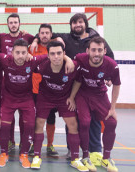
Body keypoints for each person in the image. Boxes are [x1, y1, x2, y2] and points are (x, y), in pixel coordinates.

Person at [32, 13, 115, 165]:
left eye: (80, 22)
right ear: (71, 25)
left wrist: (108, 76)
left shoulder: (95, 39)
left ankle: (95, 151)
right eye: (74, 22)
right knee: (79, 121)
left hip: (92, 88)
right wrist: (35, 39)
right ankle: (73, 150)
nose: (77, 25)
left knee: (93, 121)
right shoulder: (66, 38)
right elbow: (46, 35)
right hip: (73, 88)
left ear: (85, 24)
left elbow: (109, 57)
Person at [0, 39, 74, 168]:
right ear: (12, 52)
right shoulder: (5, 59)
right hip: (8, 99)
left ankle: (24, 154)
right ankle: (4, 153)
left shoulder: (33, 61)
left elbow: (53, 54)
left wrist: (67, 59)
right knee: (5, 126)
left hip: (26, 99)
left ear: (27, 53)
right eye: (17, 52)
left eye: (23, 52)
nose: (20, 56)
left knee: (30, 125)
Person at [30, 41, 88, 172]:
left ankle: (75, 159)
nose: (56, 56)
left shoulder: (73, 67)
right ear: (48, 55)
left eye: (59, 53)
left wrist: (72, 97)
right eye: (52, 54)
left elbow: (78, 81)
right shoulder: (41, 66)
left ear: (64, 54)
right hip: (45, 97)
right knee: (39, 123)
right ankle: (37, 156)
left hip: (64, 98)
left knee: (73, 124)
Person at [69, 37, 120, 172]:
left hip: (99, 94)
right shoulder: (80, 58)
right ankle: (85, 157)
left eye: (99, 50)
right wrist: (72, 98)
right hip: (83, 94)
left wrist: (113, 107)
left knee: (112, 122)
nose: (96, 53)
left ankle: (106, 158)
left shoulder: (112, 65)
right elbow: (77, 80)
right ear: (87, 51)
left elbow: (116, 85)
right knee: (84, 122)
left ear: (104, 51)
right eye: (93, 50)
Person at [0, 13, 37, 152]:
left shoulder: (26, 37)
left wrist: (34, 41)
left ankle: (24, 143)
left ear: (19, 24)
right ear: (7, 24)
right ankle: (10, 141)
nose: (13, 25)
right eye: (11, 22)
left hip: (24, 81)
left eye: (15, 22)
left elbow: (42, 37)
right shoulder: (1, 37)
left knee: (25, 118)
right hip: (6, 79)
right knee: (8, 117)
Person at [28, 23, 59, 157]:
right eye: (42, 33)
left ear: (51, 34)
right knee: (36, 119)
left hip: (51, 91)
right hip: (35, 90)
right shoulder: (32, 48)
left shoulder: (56, 47)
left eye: (47, 33)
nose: (45, 35)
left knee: (51, 118)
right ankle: (34, 144)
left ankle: (50, 145)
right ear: (38, 35)